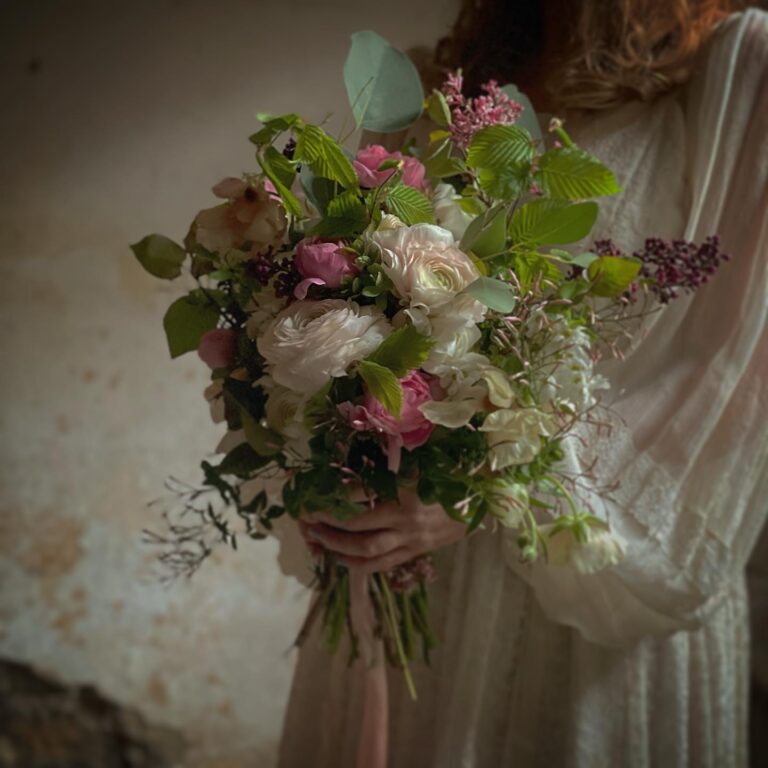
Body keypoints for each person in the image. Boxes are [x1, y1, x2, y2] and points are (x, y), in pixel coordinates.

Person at [276, 2, 768, 765]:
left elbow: (733, 379)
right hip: (407, 570)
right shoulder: (442, 79)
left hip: (585, 601)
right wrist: (327, 444)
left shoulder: (741, 70)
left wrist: (486, 495)